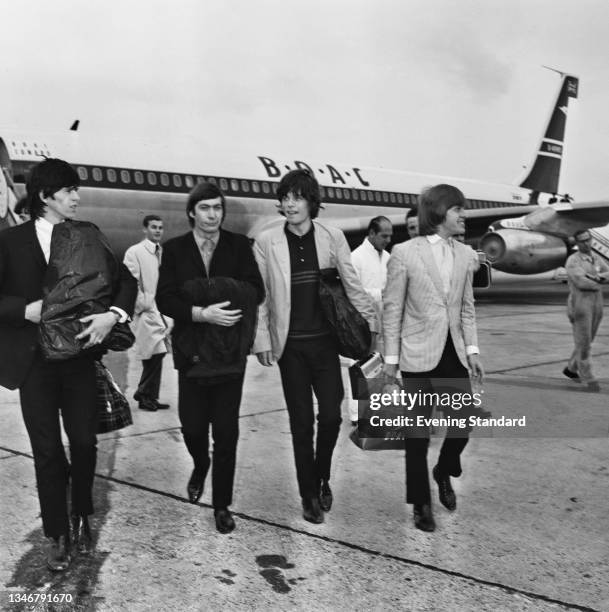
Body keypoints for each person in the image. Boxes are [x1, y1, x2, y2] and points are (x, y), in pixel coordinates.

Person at [0, 158, 136, 570]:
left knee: (84, 443)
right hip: (34, 364)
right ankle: (57, 534)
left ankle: (80, 515)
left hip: (78, 358)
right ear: (46, 196)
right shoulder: (9, 241)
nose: (77, 197)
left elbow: (125, 282)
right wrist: (23, 310)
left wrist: (113, 314)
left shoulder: (87, 236)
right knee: (46, 452)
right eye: (70, 190)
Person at [253, 169, 378, 524]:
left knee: (333, 416)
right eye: (285, 198)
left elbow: (352, 287)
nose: (289, 204)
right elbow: (262, 297)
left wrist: (372, 326)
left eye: (297, 197)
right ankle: (309, 494)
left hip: (325, 346)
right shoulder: (266, 241)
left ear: (311, 201)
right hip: (290, 347)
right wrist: (262, 339)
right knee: (301, 423)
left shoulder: (332, 237)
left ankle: (321, 474)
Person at [156, 181, 264, 534]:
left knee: (227, 433)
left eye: (217, 208)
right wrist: (202, 312)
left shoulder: (238, 246)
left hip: (230, 353)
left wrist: (216, 290)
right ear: (192, 212)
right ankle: (200, 463)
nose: (212, 214)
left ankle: (222, 504)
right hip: (191, 353)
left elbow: (256, 291)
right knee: (192, 427)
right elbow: (166, 299)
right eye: (205, 208)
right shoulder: (174, 250)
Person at [382, 184, 484, 533]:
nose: (463, 216)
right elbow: (392, 309)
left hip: (453, 354)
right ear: (440, 212)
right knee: (416, 434)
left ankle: (443, 469)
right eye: (458, 209)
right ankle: (421, 503)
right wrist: (391, 361)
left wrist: (472, 351)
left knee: (464, 421)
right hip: (416, 355)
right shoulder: (404, 252)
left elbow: (466, 308)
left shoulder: (466, 255)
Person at [348, 216, 393, 423]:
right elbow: (351, 291)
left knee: (379, 368)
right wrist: (379, 294)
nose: (387, 240)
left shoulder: (387, 258)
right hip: (361, 323)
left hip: (384, 323)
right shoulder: (356, 258)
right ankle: (357, 413)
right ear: (372, 234)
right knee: (359, 367)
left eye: (390, 236)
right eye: (384, 236)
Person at [123, 215, 170, 411]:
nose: (158, 231)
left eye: (160, 227)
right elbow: (131, 282)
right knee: (154, 354)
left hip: (158, 312)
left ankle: (148, 395)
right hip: (145, 312)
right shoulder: (135, 252)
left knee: (156, 354)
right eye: (153, 227)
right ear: (145, 229)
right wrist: (143, 304)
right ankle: (144, 395)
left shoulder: (161, 252)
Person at [563, 229, 609, 391]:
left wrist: (599, 277)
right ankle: (588, 378)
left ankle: (571, 368)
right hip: (581, 304)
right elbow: (581, 282)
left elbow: (607, 272)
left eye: (588, 240)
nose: (586, 243)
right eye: (582, 241)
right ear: (577, 243)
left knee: (588, 340)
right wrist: (599, 281)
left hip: (597, 303)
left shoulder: (596, 258)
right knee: (584, 343)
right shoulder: (573, 261)